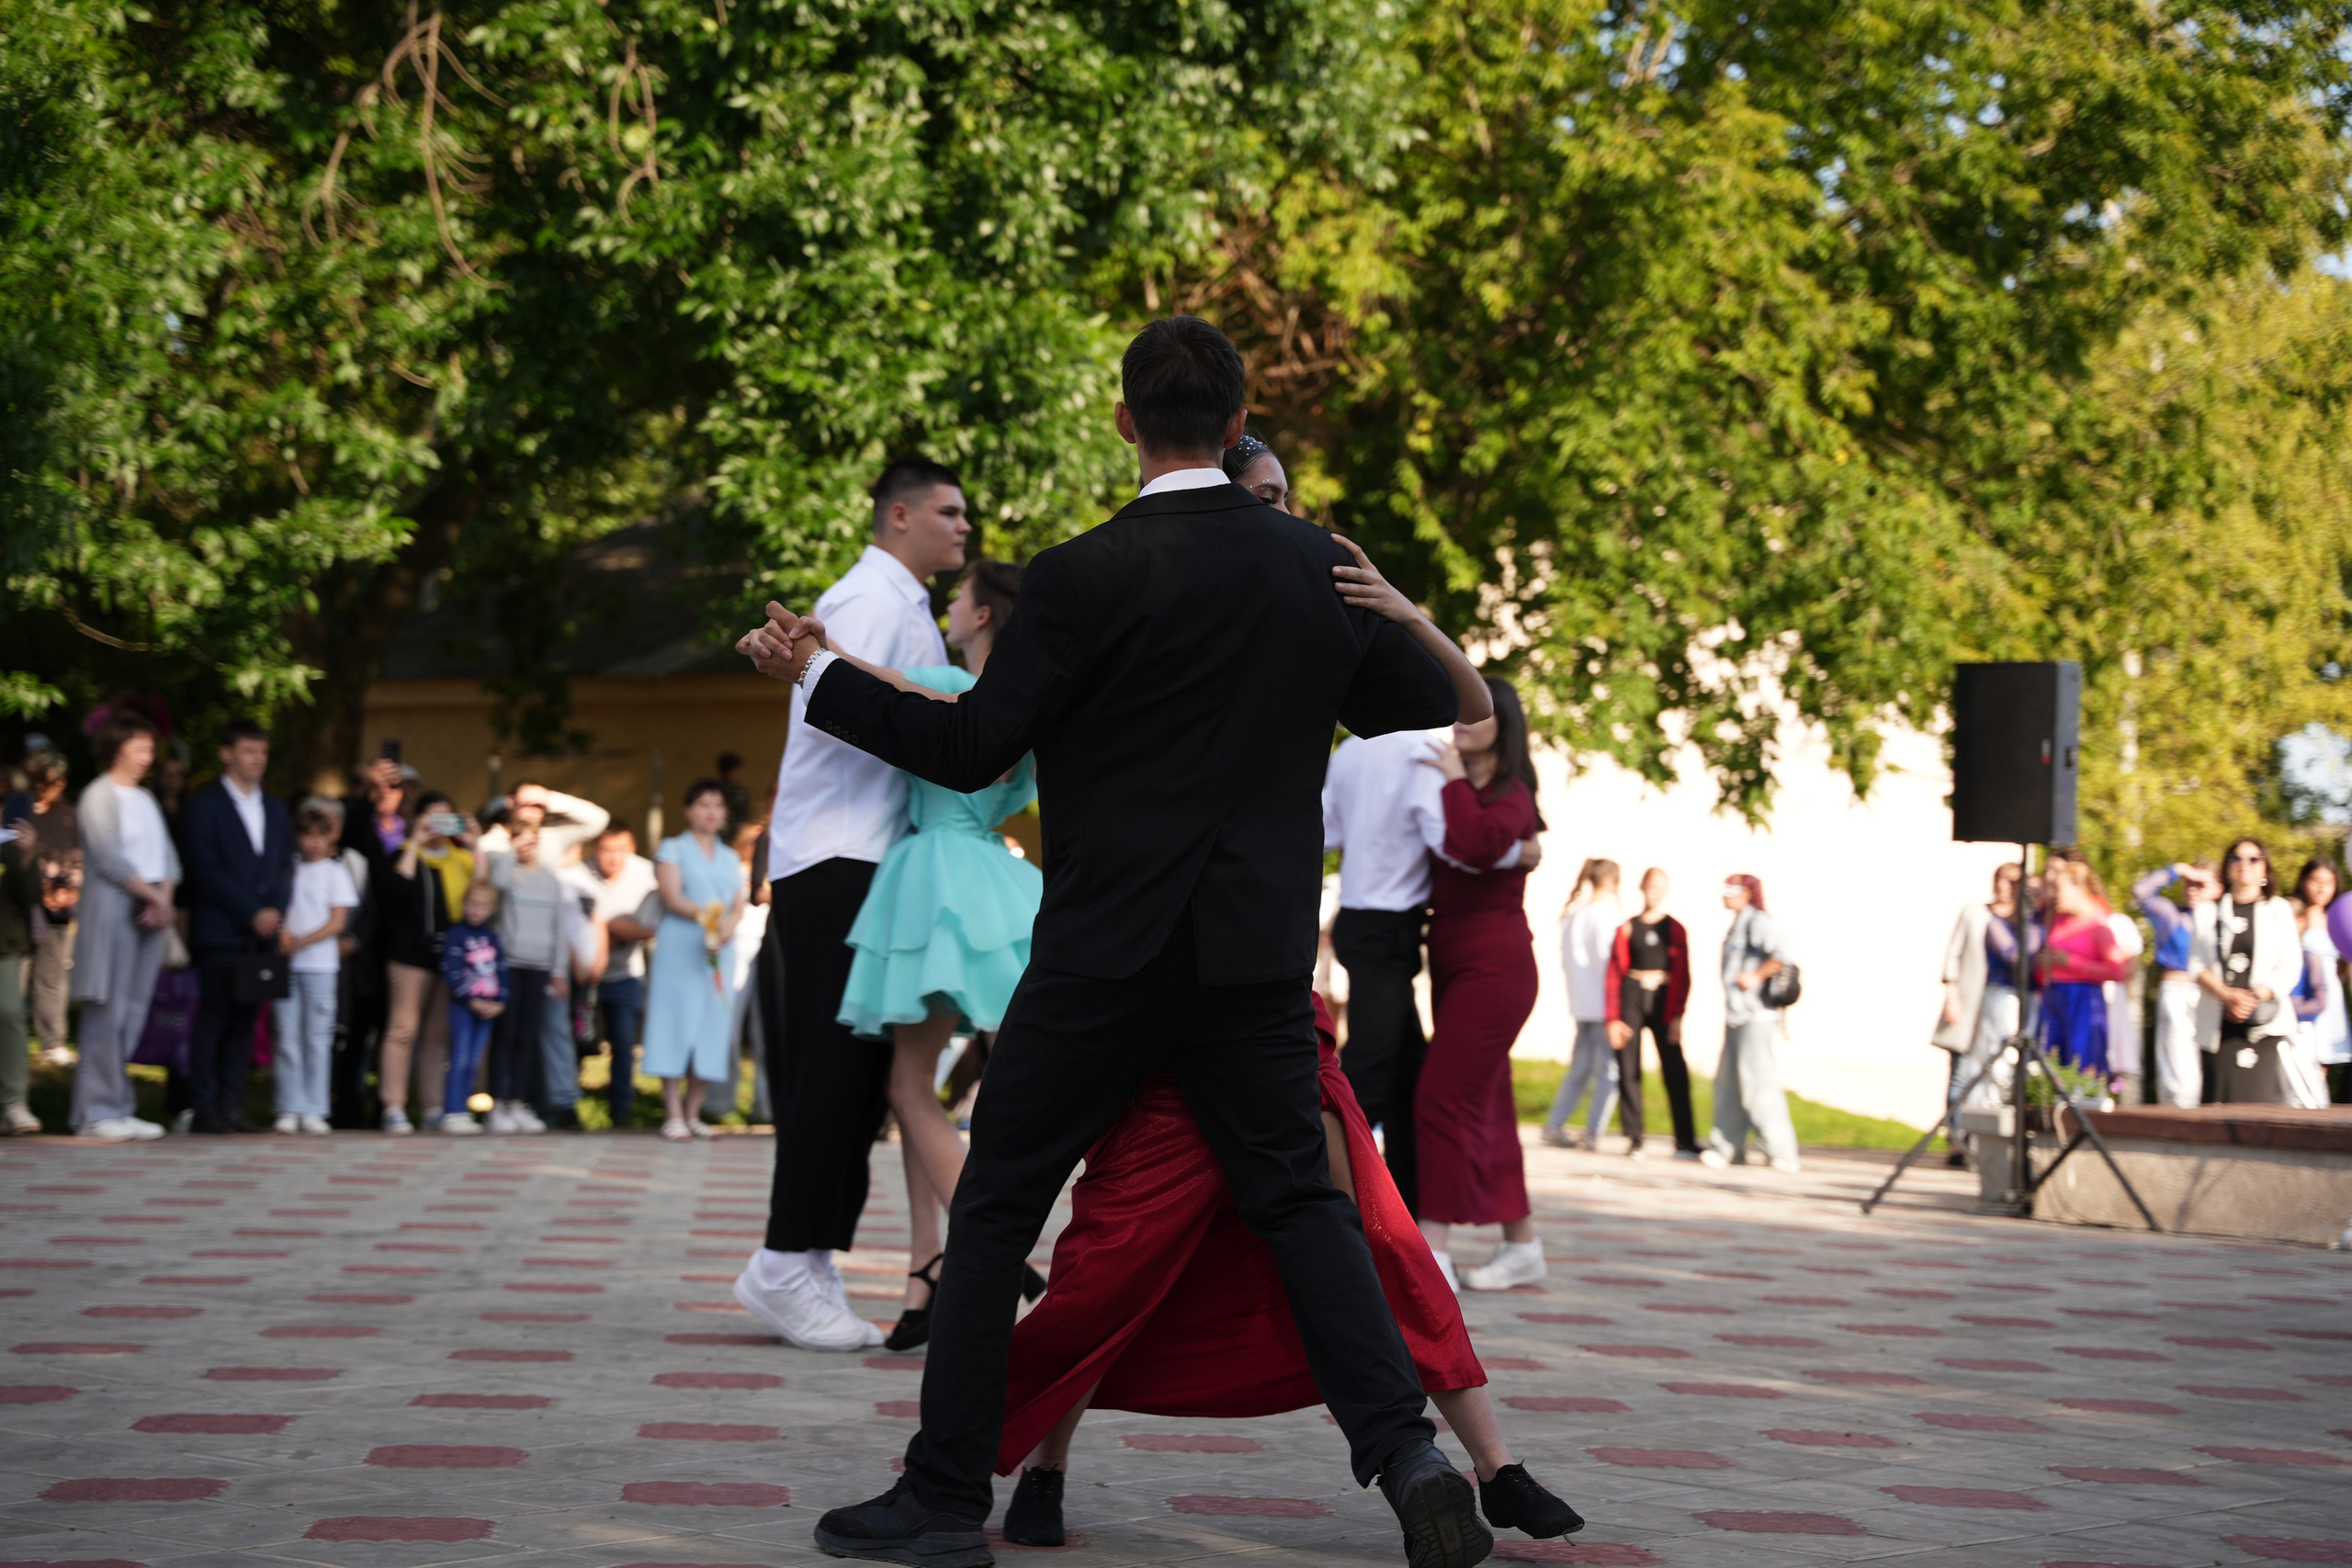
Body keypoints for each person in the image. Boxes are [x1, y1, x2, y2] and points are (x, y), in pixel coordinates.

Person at [742, 317, 1490, 1568]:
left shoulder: (1080, 575)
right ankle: (1408, 1456)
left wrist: (818, 677)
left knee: (996, 1210)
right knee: (1302, 1207)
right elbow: (1427, 708)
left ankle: (943, 1500)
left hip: (1102, 949)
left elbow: (971, 747)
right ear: (1238, 421)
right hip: (1252, 957)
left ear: (1125, 422)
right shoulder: (1312, 566)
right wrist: (1397, 606)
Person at [994, 994, 1582, 1549]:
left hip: (1278, 1043)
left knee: (1390, 1255)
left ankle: (1497, 1468)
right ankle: (1046, 1468)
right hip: (1161, 1059)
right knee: (1101, 1282)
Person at [733, 457, 971, 1355]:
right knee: (829, 1071)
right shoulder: (869, 598)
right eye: (948, 511)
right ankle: (785, 1259)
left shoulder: (901, 602)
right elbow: (844, 708)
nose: (963, 525)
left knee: (859, 1075)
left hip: (865, 856)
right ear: (898, 516)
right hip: (838, 852)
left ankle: (809, 1259)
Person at [834, 559, 1046, 1348]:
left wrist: (819, 654)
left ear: (983, 615)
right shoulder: (1031, 705)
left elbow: (880, 684)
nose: (948, 607)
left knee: (908, 1084)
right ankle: (926, 1266)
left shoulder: (949, 682)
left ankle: (993, 1249)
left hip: (935, 876)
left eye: (958, 598)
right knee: (932, 1085)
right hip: (996, 878)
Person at [1413, 677, 1545, 1295]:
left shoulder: (1510, 793)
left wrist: (1453, 782)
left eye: (1476, 711)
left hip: (1496, 967)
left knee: (1439, 1098)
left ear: (1505, 724)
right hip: (1455, 961)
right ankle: (1522, 1246)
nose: (1460, 720)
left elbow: (1471, 840)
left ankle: (1432, 1251)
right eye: (1458, 710)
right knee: (1488, 1103)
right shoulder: (1462, 788)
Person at [177, 718, 294, 1134]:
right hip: (221, 930)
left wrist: (275, 910)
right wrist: (251, 912)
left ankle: (232, 1104)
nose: (257, 759)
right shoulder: (204, 806)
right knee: (214, 1017)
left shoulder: (275, 808)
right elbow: (205, 869)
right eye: (248, 751)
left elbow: (285, 865)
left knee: (246, 1020)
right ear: (227, 754)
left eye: (262, 752)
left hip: (263, 933)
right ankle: (204, 1106)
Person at [68, 712, 176, 1140]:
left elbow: (167, 856)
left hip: (149, 913)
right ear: (116, 749)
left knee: (132, 1011)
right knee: (107, 1010)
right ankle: (94, 1112)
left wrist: (163, 898)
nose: (146, 757)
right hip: (114, 910)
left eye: (150, 749)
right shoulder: (98, 796)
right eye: (139, 749)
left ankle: (118, 1105)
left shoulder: (146, 799)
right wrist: (153, 897)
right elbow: (108, 858)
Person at [642, 780, 749, 1140]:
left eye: (718, 805)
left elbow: (738, 904)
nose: (711, 812)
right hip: (681, 946)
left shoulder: (731, 857)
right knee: (674, 1022)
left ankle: (693, 1112)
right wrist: (709, 919)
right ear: (688, 810)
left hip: (719, 951)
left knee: (711, 1026)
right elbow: (673, 897)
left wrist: (726, 928)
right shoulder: (673, 848)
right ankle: (672, 1111)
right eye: (704, 804)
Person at [379, 794, 475, 1133]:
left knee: (438, 1034)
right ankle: (393, 1106)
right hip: (409, 954)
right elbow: (396, 891)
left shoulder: (461, 858)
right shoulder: (404, 853)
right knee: (403, 1029)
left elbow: (482, 893)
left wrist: (475, 844)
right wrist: (415, 842)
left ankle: (433, 1106)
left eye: (446, 819)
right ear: (418, 819)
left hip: (448, 956)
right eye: (432, 819)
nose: (439, 826)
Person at [1699, 874, 1799, 1172]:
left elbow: (1783, 953)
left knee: (1759, 1084)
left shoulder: (1757, 920)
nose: (1725, 895)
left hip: (1756, 1015)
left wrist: (1756, 976)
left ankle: (1781, 1152)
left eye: (1732, 890)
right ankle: (1727, 1148)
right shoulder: (1738, 923)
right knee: (1729, 1085)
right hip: (1737, 1015)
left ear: (1746, 894)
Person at [2192, 838, 2303, 1103]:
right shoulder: (2207, 911)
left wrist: (2252, 998)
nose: (2245, 865)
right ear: (2227, 867)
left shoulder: (2278, 909)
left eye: (2254, 859)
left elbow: (2290, 965)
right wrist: (2226, 995)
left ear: (2265, 868)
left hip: (2263, 1025)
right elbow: (2196, 965)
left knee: (2261, 1105)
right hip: (2219, 1023)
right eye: (2236, 858)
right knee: (2219, 1102)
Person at [269, 807, 359, 1134]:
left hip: (321, 965)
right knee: (287, 1037)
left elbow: (337, 922)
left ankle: (315, 1108)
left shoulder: (336, 873)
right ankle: (288, 1106)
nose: (315, 843)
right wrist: (282, 936)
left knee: (317, 1039)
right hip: (289, 965)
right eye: (308, 836)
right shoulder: (287, 869)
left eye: (322, 836)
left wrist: (300, 942)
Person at [1604, 868, 1696, 1158]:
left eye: (1660, 887)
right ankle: (1635, 1138)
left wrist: (1678, 1016)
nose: (1655, 892)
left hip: (1663, 998)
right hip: (1632, 995)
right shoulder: (1627, 928)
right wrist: (1613, 1018)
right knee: (1628, 1067)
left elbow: (1683, 974)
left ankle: (1685, 1140)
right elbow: (1614, 974)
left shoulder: (1674, 929)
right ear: (1642, 888)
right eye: (1651, 886)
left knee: (1675, 1069)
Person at [574, 824, 660, 1128]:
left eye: (621, 850)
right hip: (582, 975)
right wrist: (617, 930)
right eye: (606, 850)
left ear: (632, 849)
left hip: (626, 974)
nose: (614, 857)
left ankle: (621, 1113)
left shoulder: (647, 874)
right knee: (576, 1041)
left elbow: (651, 927)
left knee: (624, 1045)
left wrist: (602, 928)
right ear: (594, 850)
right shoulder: (578, 874)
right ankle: (568, 1108)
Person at [481, 825, 565, 1134]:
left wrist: (559, 970)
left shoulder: (552, 880)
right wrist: (512, 851)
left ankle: (517, 1104)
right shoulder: (508, 872)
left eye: (534, 840)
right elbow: (498, 884)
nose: (530, 846)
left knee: (526, 1038)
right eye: (523, 840)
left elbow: (560, 927)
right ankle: (496, 1106)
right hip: (508, 964)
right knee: (504, 1036)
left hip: (539, 967)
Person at [1935, 863, 2020, 1153]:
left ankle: (1986, 1140)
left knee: (1997, 1073)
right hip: (1970, 1002)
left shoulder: (2024, 921)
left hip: (2003, 1008)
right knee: (1961, 1073)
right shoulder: (1975, 913)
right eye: (2000, 879)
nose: (2004, 886)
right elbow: (1954, 954)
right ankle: (1957, 1139)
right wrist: (1952, 993)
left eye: (2011, 881)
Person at [1541, 860, 1622, 1152]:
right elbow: (1610, 962)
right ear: (1611, 882)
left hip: (1581, 1002)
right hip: (1604, 1005)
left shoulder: (1576, 915)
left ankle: (1554, 1125)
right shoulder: (1607, 915)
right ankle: (1593, 1132)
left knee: (1580, 1069)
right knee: (1608, 1072)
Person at [2132, 860, 2216, 1108]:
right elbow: (2141, 891)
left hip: (2214, 998)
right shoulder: (2173, 916)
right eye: (2189, 884)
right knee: (2179, 1072)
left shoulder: (2228, 918)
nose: (2193, 889)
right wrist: (2178, 870)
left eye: (2201, 884)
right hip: (2179, 993)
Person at [21, 750, 79, 1068]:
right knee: (16, 973)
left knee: (52, 975)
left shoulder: (72, 815)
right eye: (37, 781)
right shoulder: (17, 812)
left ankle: (53, 1041)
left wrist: (71, 889)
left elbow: (80, 859)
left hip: (58, 904)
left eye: (49, 782)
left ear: (62, 783)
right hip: (21, 902)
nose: (41, 788)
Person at [438, 882, 507, 1134]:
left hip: (488, 1008)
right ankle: (452, 1112)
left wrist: (500, 1001)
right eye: (473, 904)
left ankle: (463, 1111)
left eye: (483, 906)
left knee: (474, 1061)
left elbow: (501, 971)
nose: (477, 910)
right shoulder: (456, 934)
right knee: (460, 1058)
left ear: (492, 909)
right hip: (464, 1007)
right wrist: (470, 999)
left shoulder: (492, 937)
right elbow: (451, 971)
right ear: (464, 904)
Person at [2287, 859, 2342, 1110]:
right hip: (2300, 994)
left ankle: (2318, 1113)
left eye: (2328, 882)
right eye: (2316, 881)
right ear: (2303, 881)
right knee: (2298, 1058)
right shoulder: (2293, 912)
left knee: (2322, 1062)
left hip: (2330, 995)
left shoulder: (2338, 917)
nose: (2322, 888)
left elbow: (2344, 961)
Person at [0, 809, 38, 1133]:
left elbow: (30, 896)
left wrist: (27, 856)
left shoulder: (10, 843)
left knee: (9, 1012)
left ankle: (13, 1102)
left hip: (4, 942)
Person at [717, 752, 752, 841]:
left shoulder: (713, 791)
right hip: (735, 838)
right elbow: (743, 818)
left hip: (715, 837)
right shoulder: (740, 793)